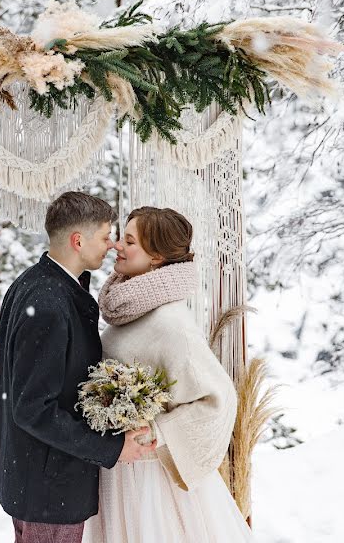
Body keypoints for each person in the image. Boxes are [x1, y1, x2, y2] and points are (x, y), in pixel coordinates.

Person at [0, 192, 156, 543]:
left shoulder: (34, 283)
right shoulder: (50, 303)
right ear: (78, 240)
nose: (112, 245)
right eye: (105, 236)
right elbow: (33, 409)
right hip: (49, 486)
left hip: (33, 478)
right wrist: (112, 448)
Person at [83, 206, 255, 543]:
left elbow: (218, 399)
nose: (117, 246)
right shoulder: (130, 313)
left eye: (129, 241)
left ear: (157, 258)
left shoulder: (171, 323)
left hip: (152, 483)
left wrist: (156, 432)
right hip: (117, 471)